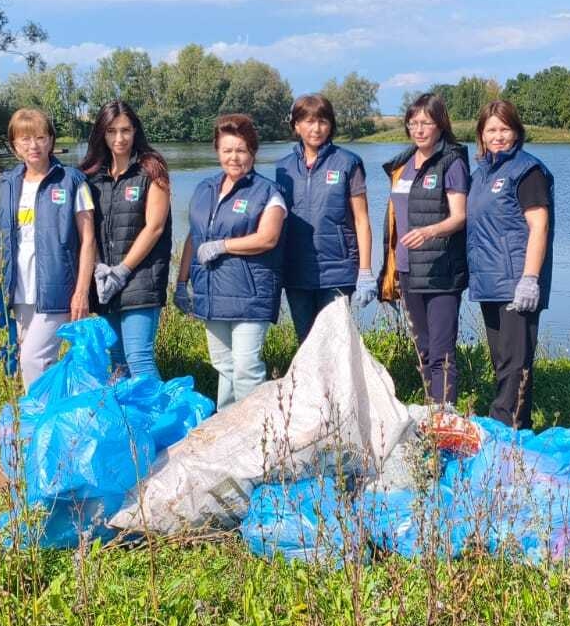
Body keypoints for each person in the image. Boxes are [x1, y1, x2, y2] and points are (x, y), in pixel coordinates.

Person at [174, 113, 286, 407]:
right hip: (211, 294)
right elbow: (194, 237)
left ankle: (257, 435)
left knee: (247, 369)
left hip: (251, 296)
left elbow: (268, 238)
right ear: (217, 151)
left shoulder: (267, 192)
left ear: (253, 152)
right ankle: (227, 426)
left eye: (241, 150)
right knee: (224, 366)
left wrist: (224, 245)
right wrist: (182, 281)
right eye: (227, 150)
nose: (234, 157)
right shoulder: (204, 190)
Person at [378, 93, 470, 407]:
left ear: (440, 125)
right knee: (425, 349)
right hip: (406, 269)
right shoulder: (402, 164)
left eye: (426, 123)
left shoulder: (452, 162)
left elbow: (460, 216)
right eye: (413, 123)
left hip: (440, 269)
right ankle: (434, 415)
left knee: (442, 352)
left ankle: (446, 419)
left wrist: (430, 231)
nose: (419, 129)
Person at [467, 98, 554, 428]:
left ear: (517, 132)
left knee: (516, 365)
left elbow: (539, 226)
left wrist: (530, 278)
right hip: (489, 283)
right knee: (503, 363)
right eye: (491, 129)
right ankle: (508, 429)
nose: (498, 135)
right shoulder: (481, 175)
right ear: (481, 134)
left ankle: (510, 434)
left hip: (517, 283)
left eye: (505, 128)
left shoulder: (526, 171)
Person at [0, 107, 97, 390]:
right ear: (14, 145)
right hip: (20, 290)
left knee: (33, 359)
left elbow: (88, 240)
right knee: (35, 361)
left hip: (57, 289)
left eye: (40, 137)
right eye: (25, 139)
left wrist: (81, 291)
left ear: (51, 140)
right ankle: (48, 425)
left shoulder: (71, 180)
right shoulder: (9, 183)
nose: (33, 145)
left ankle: (34, 427)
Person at [81, 100, 172, 379]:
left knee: (139, 357)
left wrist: (123, 270)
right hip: (105, 281)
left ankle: (159, 420)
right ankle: (126, 421)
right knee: (118, 361)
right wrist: (98, 269)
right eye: (111, 131)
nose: (119, 138)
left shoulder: (151, 169)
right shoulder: (92, 175)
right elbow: (87, 229)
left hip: (140, 278)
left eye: (125, 130)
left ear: (135, 131)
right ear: (101, 134)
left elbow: (155, 227)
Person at [273, 93, 375, 341]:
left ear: (331, 125)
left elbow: (362, 220)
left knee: (334, 344)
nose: (316, 128)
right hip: (296, 271)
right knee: (305, 343)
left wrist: (364, 271)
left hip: (338, 270)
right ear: (296, 126)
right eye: (308, 121)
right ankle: (308, 383)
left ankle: (340, 383)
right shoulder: (283, 167)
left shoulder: (348, 163)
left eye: (322, 121)